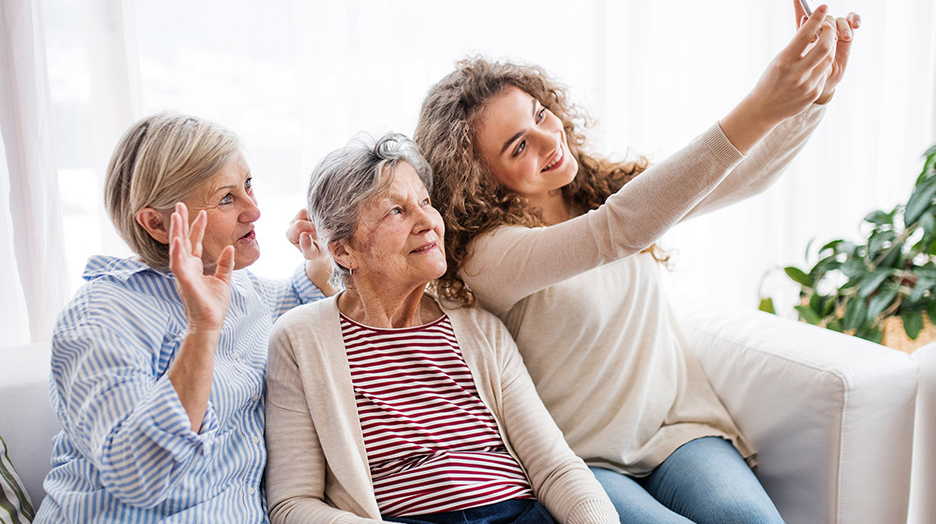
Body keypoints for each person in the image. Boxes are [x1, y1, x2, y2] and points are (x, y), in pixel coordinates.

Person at [413, 2, 860, 524]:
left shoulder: (603, 188)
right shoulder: (492, 253)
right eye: (519, 147)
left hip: (678, 431)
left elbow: (745, 176)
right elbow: (615, 232)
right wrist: (762, 103)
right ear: (480, 178)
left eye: (540, 115)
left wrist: (813, 96)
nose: (549, 140)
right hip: (579, 459)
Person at [263, 133, 619, 524]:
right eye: (396, 211)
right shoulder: (300, 339)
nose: (428, 222)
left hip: (520, 514)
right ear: (344, 250)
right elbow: (292, 504)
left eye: (426, 203)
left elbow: (555, 468)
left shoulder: (480, 328)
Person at [34, 112, 334, 522]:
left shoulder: (242, 288)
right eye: (227, 198)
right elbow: (137, 476)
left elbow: (293, 305)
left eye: (248, 185)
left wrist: (318, 264)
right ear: (156, 224)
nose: (255, 211)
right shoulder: (99, 318)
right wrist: (202, 331)